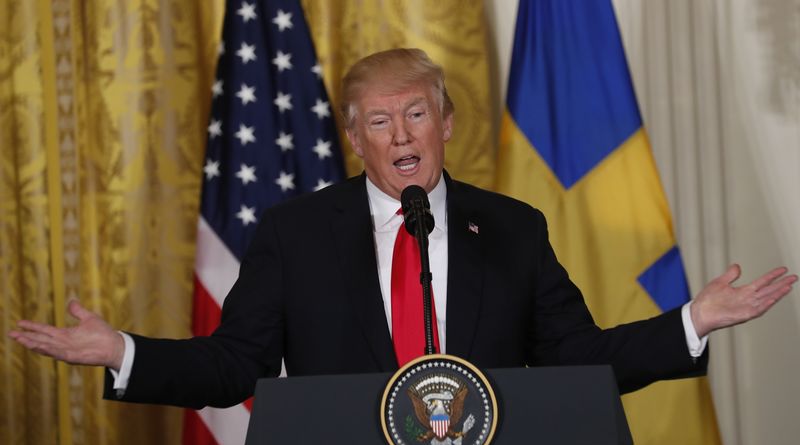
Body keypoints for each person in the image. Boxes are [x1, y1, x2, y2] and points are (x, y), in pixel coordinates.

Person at [8, 49, 797, 409]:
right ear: (355, 139)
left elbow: (575, 360)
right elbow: (235, 364)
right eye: (379, 122)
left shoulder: (513, 228)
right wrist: (124, 353)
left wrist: (692, 321)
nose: (400, 135)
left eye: (416, 113)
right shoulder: (296, 233)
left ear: (445, 122)